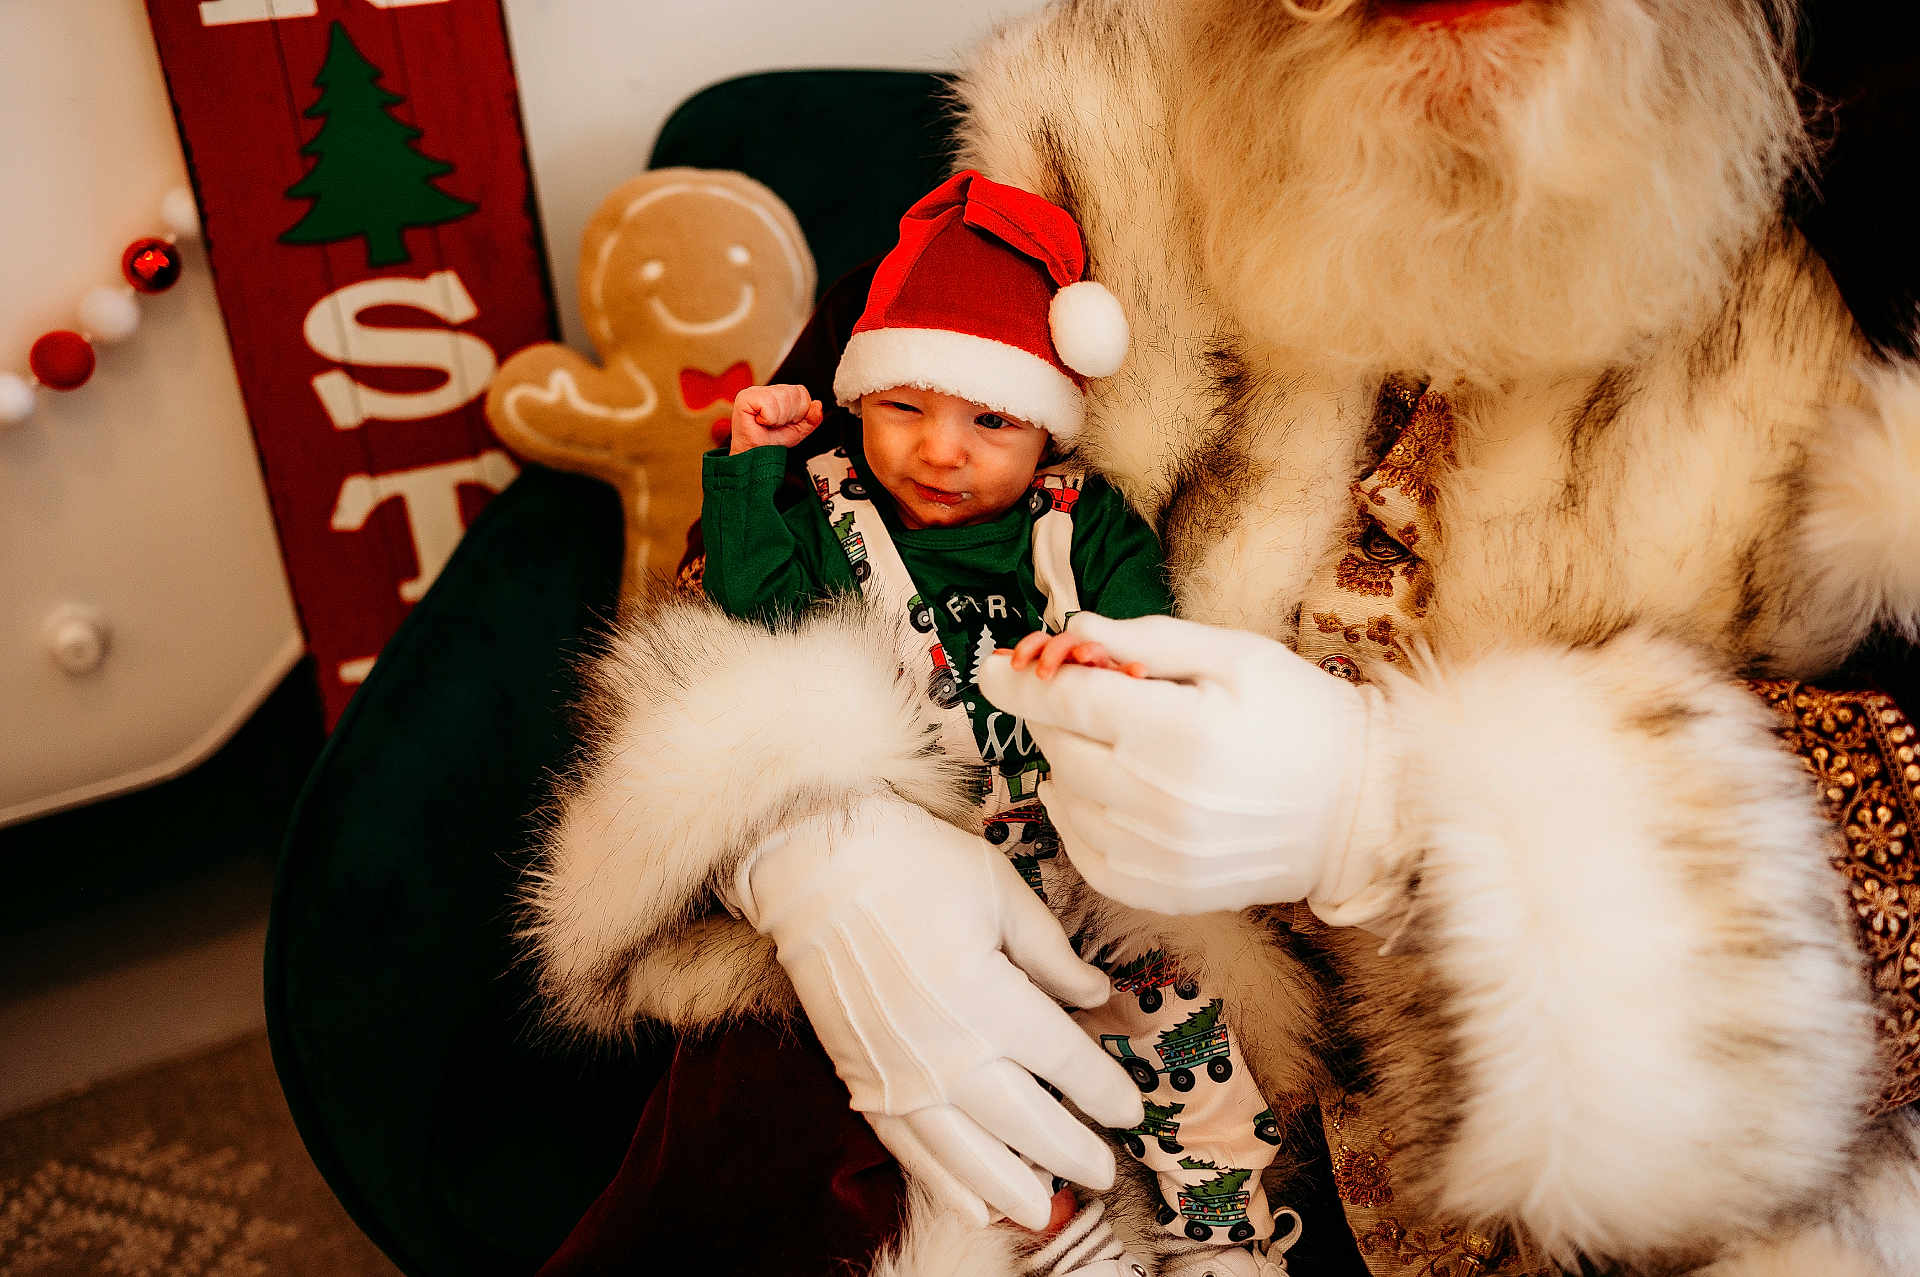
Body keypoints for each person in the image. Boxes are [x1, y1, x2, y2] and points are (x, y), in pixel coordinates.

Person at [525, 2, 1920, 1274]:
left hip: (1559, 1191)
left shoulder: (1862, 212)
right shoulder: (1095, 126)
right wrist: (813, 837)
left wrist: (1393, 816)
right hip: (1040, 1038)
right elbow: (786, 526)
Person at [698, 168, 1300, 1277]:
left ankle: (1223, 1238)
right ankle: (1063, 1239)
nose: (941, 450)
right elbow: (754, 618)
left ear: (1049, 430)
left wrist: (1098, 657)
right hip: (930, 857)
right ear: (857, 399)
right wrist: (748, 472)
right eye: (904, 407)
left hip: (1092, 850)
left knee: (1188, 1049)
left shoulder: (1077, 518)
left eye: (989, 419)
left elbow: (1149, 632)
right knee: (974, 1079)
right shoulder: (832, 508)